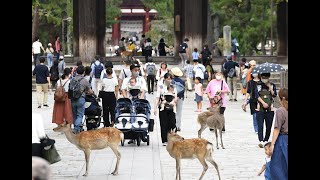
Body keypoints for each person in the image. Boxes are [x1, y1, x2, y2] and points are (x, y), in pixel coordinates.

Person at [154, 73, 177, 146]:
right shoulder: (160, 87)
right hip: (163, 107)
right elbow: (157, 97)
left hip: (171, 107)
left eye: (170, 78)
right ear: (164, 78)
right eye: (167, 78)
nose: (169, 80)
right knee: (163, 123)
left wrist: (174, 101)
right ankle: (164, 140)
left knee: (172, 122)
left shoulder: (173, 86)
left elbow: (176, 97)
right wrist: (155, 108)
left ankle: (171, 137)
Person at [269, 88, 288, 180]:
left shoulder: (281, 111)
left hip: (283, 140)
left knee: (279, 167)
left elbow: (276, 129)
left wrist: (272, 144)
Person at [256, 72, 277, 148]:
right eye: (263, 77)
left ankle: (266, 140)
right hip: (260, 108)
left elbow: (274, 95)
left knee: (269, 125)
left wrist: (270, 87)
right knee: (260, 125)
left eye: (266, 77)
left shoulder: (272, 85)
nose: (265, 79)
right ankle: (260, 140)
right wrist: (263, 103)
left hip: (270, 108)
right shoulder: (258, 85)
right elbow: (256, 95)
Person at [70, 65, 93, 134]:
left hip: (73, 99)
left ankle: (76, 127)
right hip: (81, 99)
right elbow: (90, 91)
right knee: (80, 114)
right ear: (83, 72)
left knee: (74, 114)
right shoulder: (84, 80)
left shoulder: (72, 79)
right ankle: (76, 128)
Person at [170, 67, 185, 132]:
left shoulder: (171, 81)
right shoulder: (182, 82)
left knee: (172, 112)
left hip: (172, 97)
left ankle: (172, 126)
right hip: (180, 98)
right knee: (179, 112)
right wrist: (178, 97)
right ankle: (178, 126)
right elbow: (183, 90)